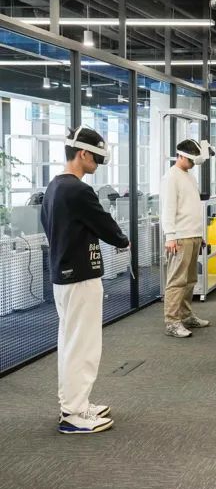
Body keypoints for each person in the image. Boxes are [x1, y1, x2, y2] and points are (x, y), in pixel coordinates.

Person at [41, 126, 129, 434]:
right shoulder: (77, 190)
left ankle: (74, 403)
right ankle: (74, 414)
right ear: (83, 154)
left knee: (70, 343)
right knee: (83, 345)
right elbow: (103, 222)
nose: (98, 165)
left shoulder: (54, 187)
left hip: (64, 275)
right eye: (97, 158)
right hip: (79, 276)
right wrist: (122, 240)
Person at [162, 139, 212, 338]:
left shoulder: (189, 176)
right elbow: (168, 208)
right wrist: (170, 236)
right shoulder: (171, 177)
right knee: (177, 281)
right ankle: (172, 322)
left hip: (193, 235)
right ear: (180, 156)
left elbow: (192, 207)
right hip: (180, 237)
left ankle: (186, 315)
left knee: (190, 280)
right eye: (190, 160)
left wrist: (200, 234)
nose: (192, 164)